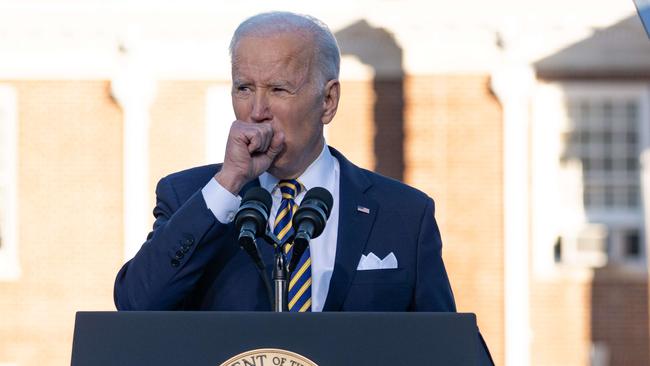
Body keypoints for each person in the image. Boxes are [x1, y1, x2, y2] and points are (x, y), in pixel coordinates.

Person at [113, 11, 492, 363]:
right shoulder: (192, 198)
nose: (257, 110)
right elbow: (135, 304)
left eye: (278, 89)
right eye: (244, 88)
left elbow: (451, 349)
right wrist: (228, 183)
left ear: (328, 101)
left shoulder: (404, 214)